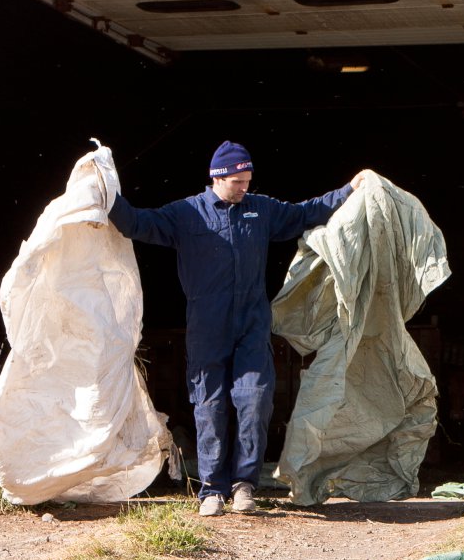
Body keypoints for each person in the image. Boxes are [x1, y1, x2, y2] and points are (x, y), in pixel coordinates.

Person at [109, 141, 361, 516]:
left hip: (251, 324)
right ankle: (212, 490)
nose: (245, 187)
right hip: (207, 325)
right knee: (209, 405)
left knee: (255, 399)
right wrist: (104, 193)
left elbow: (305, 213)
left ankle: (244, 485)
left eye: (248, 181)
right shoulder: (187, 214)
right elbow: (136, 223)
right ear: (217, 178)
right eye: (238, 182)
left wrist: (350, 190)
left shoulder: (260, 209)